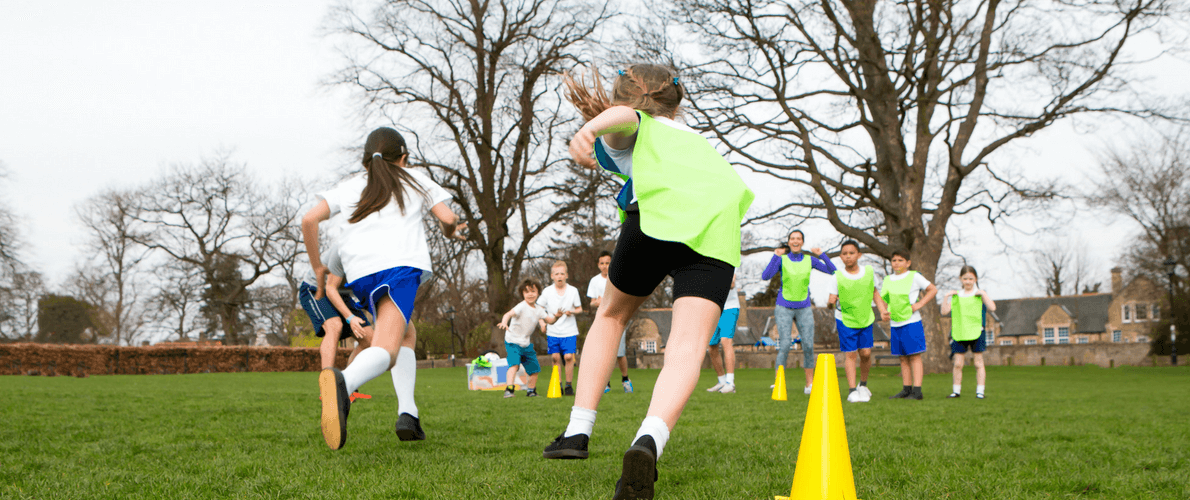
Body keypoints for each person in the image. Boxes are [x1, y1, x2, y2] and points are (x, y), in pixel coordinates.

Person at [543, 64, 753, 500]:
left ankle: (578, 431)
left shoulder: (640, 126)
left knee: (612, 315)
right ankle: (649, 440)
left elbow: (628, 120)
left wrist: (590, 128)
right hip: (716, 227)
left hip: (657, 221)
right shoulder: (697, 140)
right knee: (688, 345)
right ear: (678, 102)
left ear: (625, 99)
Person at [301, 127, 466, 450]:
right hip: (399, 271)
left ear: (367, 161)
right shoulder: (414, 178)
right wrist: (451, 230)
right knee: (388, 351)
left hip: (362, 276)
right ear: (403, 158)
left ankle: (409, 414)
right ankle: (343, 385)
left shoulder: (349, 187)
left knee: (406, 333)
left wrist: (318, 264)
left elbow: (309, 220)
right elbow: (447, 217)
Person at [760, 230, 835, 395]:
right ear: (789, 242)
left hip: (804, 307)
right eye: (792, 239)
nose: (795, 241)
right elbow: (765, 276)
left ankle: (809, 384)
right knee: (785, 344)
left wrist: (822, 255)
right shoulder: (782, 260)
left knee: (808, 345)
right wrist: (775, 256)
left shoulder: (809, 260)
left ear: (802, 242)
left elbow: (832, 271)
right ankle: (779, 382)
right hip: (783, 307)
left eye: (798, 239)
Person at [298, 242, 373, 400]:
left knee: (369, 339)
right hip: (316, 288)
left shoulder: (376, 257)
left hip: (342, 293)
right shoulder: (343, 250)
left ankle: (349, 385)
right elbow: (330, 289)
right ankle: (328, 387)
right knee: (334, 325)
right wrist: (350, 317)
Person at [826, 240, 889, 404]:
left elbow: (875, 293)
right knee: (851, 354)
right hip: (845, 319)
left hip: (865, 318)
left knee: (866, 354)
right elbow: (830, 304)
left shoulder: (869, 272)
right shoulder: (837, 276)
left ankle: (863, 385)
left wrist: (882, 310)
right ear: (841, 257)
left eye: (851, 253)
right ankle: (852, 390)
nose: (848, 256)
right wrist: (830, 301)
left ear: (859, 255)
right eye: (844, 254)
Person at [880, 249, 937, 400]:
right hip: (895, 323)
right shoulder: (887, 279)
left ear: (908, 263)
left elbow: (932, 289)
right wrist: (883, 311)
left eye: (900, 260)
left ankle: (917, 391)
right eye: (894, 260)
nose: (896, 263)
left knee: (914, 356)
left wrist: (919, 305)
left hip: (911, 322)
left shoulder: (914, 276)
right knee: (902, 357)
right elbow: (883, 300)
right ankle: (906, 389)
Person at [498, 279, 561, 398]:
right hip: (513, 342)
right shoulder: (521, 306)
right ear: (522, 294)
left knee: (535, 370)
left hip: (526, 344)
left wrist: (556, 317)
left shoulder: (539, 310)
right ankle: (509, 390)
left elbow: (550, 321)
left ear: (538, 293)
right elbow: (507, 314)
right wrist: (504, 322)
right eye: (527, 292)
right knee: (514, 365)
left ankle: (531, 391)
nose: (530, 294)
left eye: (533, 291)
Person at [941, 265, 996, 399]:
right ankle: (956, 391)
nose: (968, 281)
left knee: (978, 363)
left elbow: (992, 308)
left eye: (971, 278)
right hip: (960, 332)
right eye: (965, 278)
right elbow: (944, 312)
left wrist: (984, 294)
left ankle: (980, 392)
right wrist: (946, 297)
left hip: (977, 331)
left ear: (975, 279)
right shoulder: (956, 296)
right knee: (958, 363)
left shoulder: (979, 294)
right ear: (960, 279)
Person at [588, 251, 634, 394]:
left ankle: (625, 379)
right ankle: (605, 383)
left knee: (619, 354)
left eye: (607, 263)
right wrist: (598, 302)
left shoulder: (618, 277)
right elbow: (591, 303)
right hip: (602, 320)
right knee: (603, 352)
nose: (605, 266)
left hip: (618, 319)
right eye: (602, 263)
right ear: (598, 265)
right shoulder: (594, 281)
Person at [538, 260, 584, 396]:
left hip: (569, 330)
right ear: (552, 276)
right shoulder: (547, 291)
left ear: (567, 275)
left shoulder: (573, 291)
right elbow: (538, 309)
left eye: (562, 274)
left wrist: (572, 312)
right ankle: (557, 384)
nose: (559, 276)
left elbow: (580, 309)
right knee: (555, 358)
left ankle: (569, 386)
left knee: (569, 357)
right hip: (553, 330)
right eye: (557, 274)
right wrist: (542, 323)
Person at [706, 275, 741, 393]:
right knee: (712, 347)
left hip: (729, 308)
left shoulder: (730, 262)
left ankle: (730, 383)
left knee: (726, 341)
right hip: (714, 308)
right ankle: (722, 381)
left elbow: (731, 284)